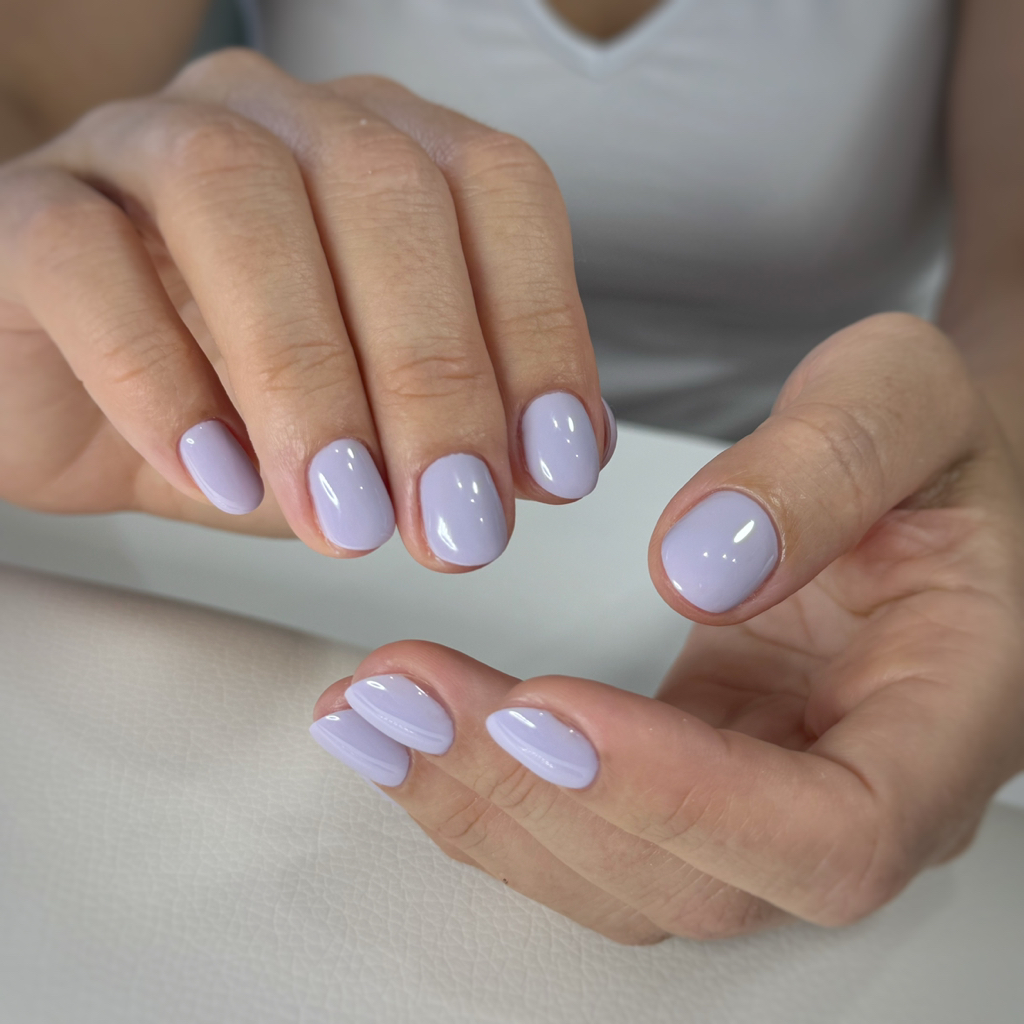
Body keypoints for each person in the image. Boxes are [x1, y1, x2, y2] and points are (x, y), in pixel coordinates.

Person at [1, 0, 1022, 944]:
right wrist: (52, 238)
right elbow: (27, 104)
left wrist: (983, 476)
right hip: (284, 529)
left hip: (831, 538)